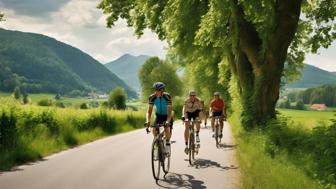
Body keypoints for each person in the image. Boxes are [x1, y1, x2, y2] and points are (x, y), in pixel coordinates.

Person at [145, 82, 173, 155]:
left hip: (167, 115)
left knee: (167, 129)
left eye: (158, 90)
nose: (156, 92)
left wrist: (167, 121)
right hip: (158, 115)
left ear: (162, 90)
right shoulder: (152, 97)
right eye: (155, 90)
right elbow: (149, 111)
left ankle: (167, 144)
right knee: (154, 130)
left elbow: (170, 112)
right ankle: (157, 145)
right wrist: (147, 121)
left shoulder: (167, 97)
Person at [182, 90, 203, 154]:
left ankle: (197, 134)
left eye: (193, 96)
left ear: (195, 96)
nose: (192, 97)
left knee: (197, 121)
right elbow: (184, 109)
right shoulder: (186, 101)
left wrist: (200, 119)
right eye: (191, 96)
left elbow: (200, 110)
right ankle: (186, 145)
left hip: (195, 113)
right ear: (189, 96)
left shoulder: (198, 101)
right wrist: (183, 116)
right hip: (188, 113)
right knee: (186, 127)